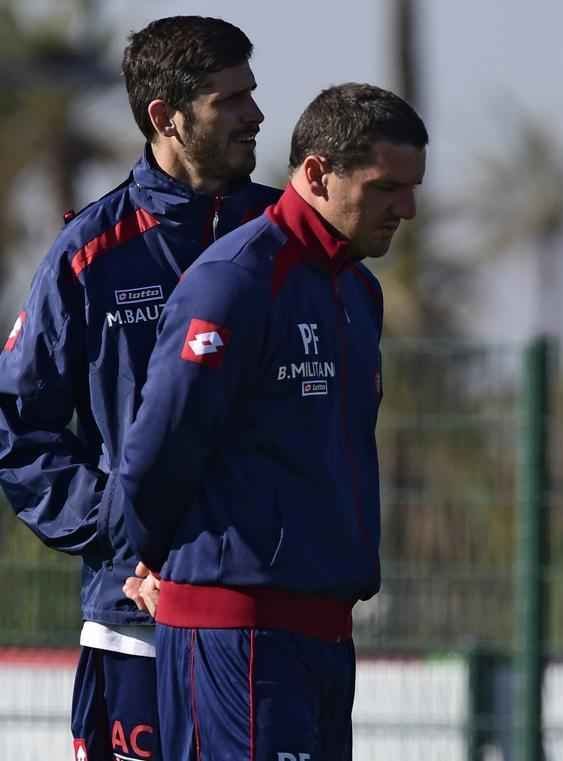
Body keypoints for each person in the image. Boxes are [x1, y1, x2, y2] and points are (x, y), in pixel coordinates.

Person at [116, 82, 426, 761]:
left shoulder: (357, 290)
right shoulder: (235, 280)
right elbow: (156, 450)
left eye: (412, 189)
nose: (406, 208)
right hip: (239, 637)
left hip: (324, 636)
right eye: (385, 188)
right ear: (317, 173)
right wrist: (155, 557)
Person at [0, 16, 275, 761]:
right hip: (138, 629)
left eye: (252, 92)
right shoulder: (91, 254)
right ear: (167, 116)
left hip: (269, 622)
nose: (256, 113)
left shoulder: (283, 239)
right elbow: (19, 428)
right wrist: (121, 525)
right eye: (230, 99)